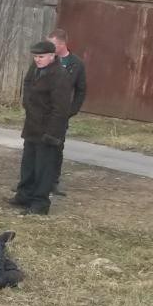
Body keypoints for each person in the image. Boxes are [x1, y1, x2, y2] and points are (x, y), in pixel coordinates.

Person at [11, 40, 73, 216]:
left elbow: (60, 109)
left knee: (44, 168)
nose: (38, 60)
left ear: (52, 56)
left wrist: (52, 134)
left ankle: (40, 203)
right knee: (28, 165)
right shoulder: (35, 69)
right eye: (36, 56)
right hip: (32, 125)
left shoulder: (60, 76)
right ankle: (24, 195)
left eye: (41, 57)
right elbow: (27, 86)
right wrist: (27, 105)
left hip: (48, 130)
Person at [48, 29, 87, 196]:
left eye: (53, 44)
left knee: (57, 147)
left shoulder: (76, 63)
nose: (49, 48)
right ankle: (30, 181)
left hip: (61, 114)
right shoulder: (47, 59)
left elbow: (81, 90)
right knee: (34, 147)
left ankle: (53, 182)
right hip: (43, 111)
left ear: (62, 44)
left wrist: (72, 110)